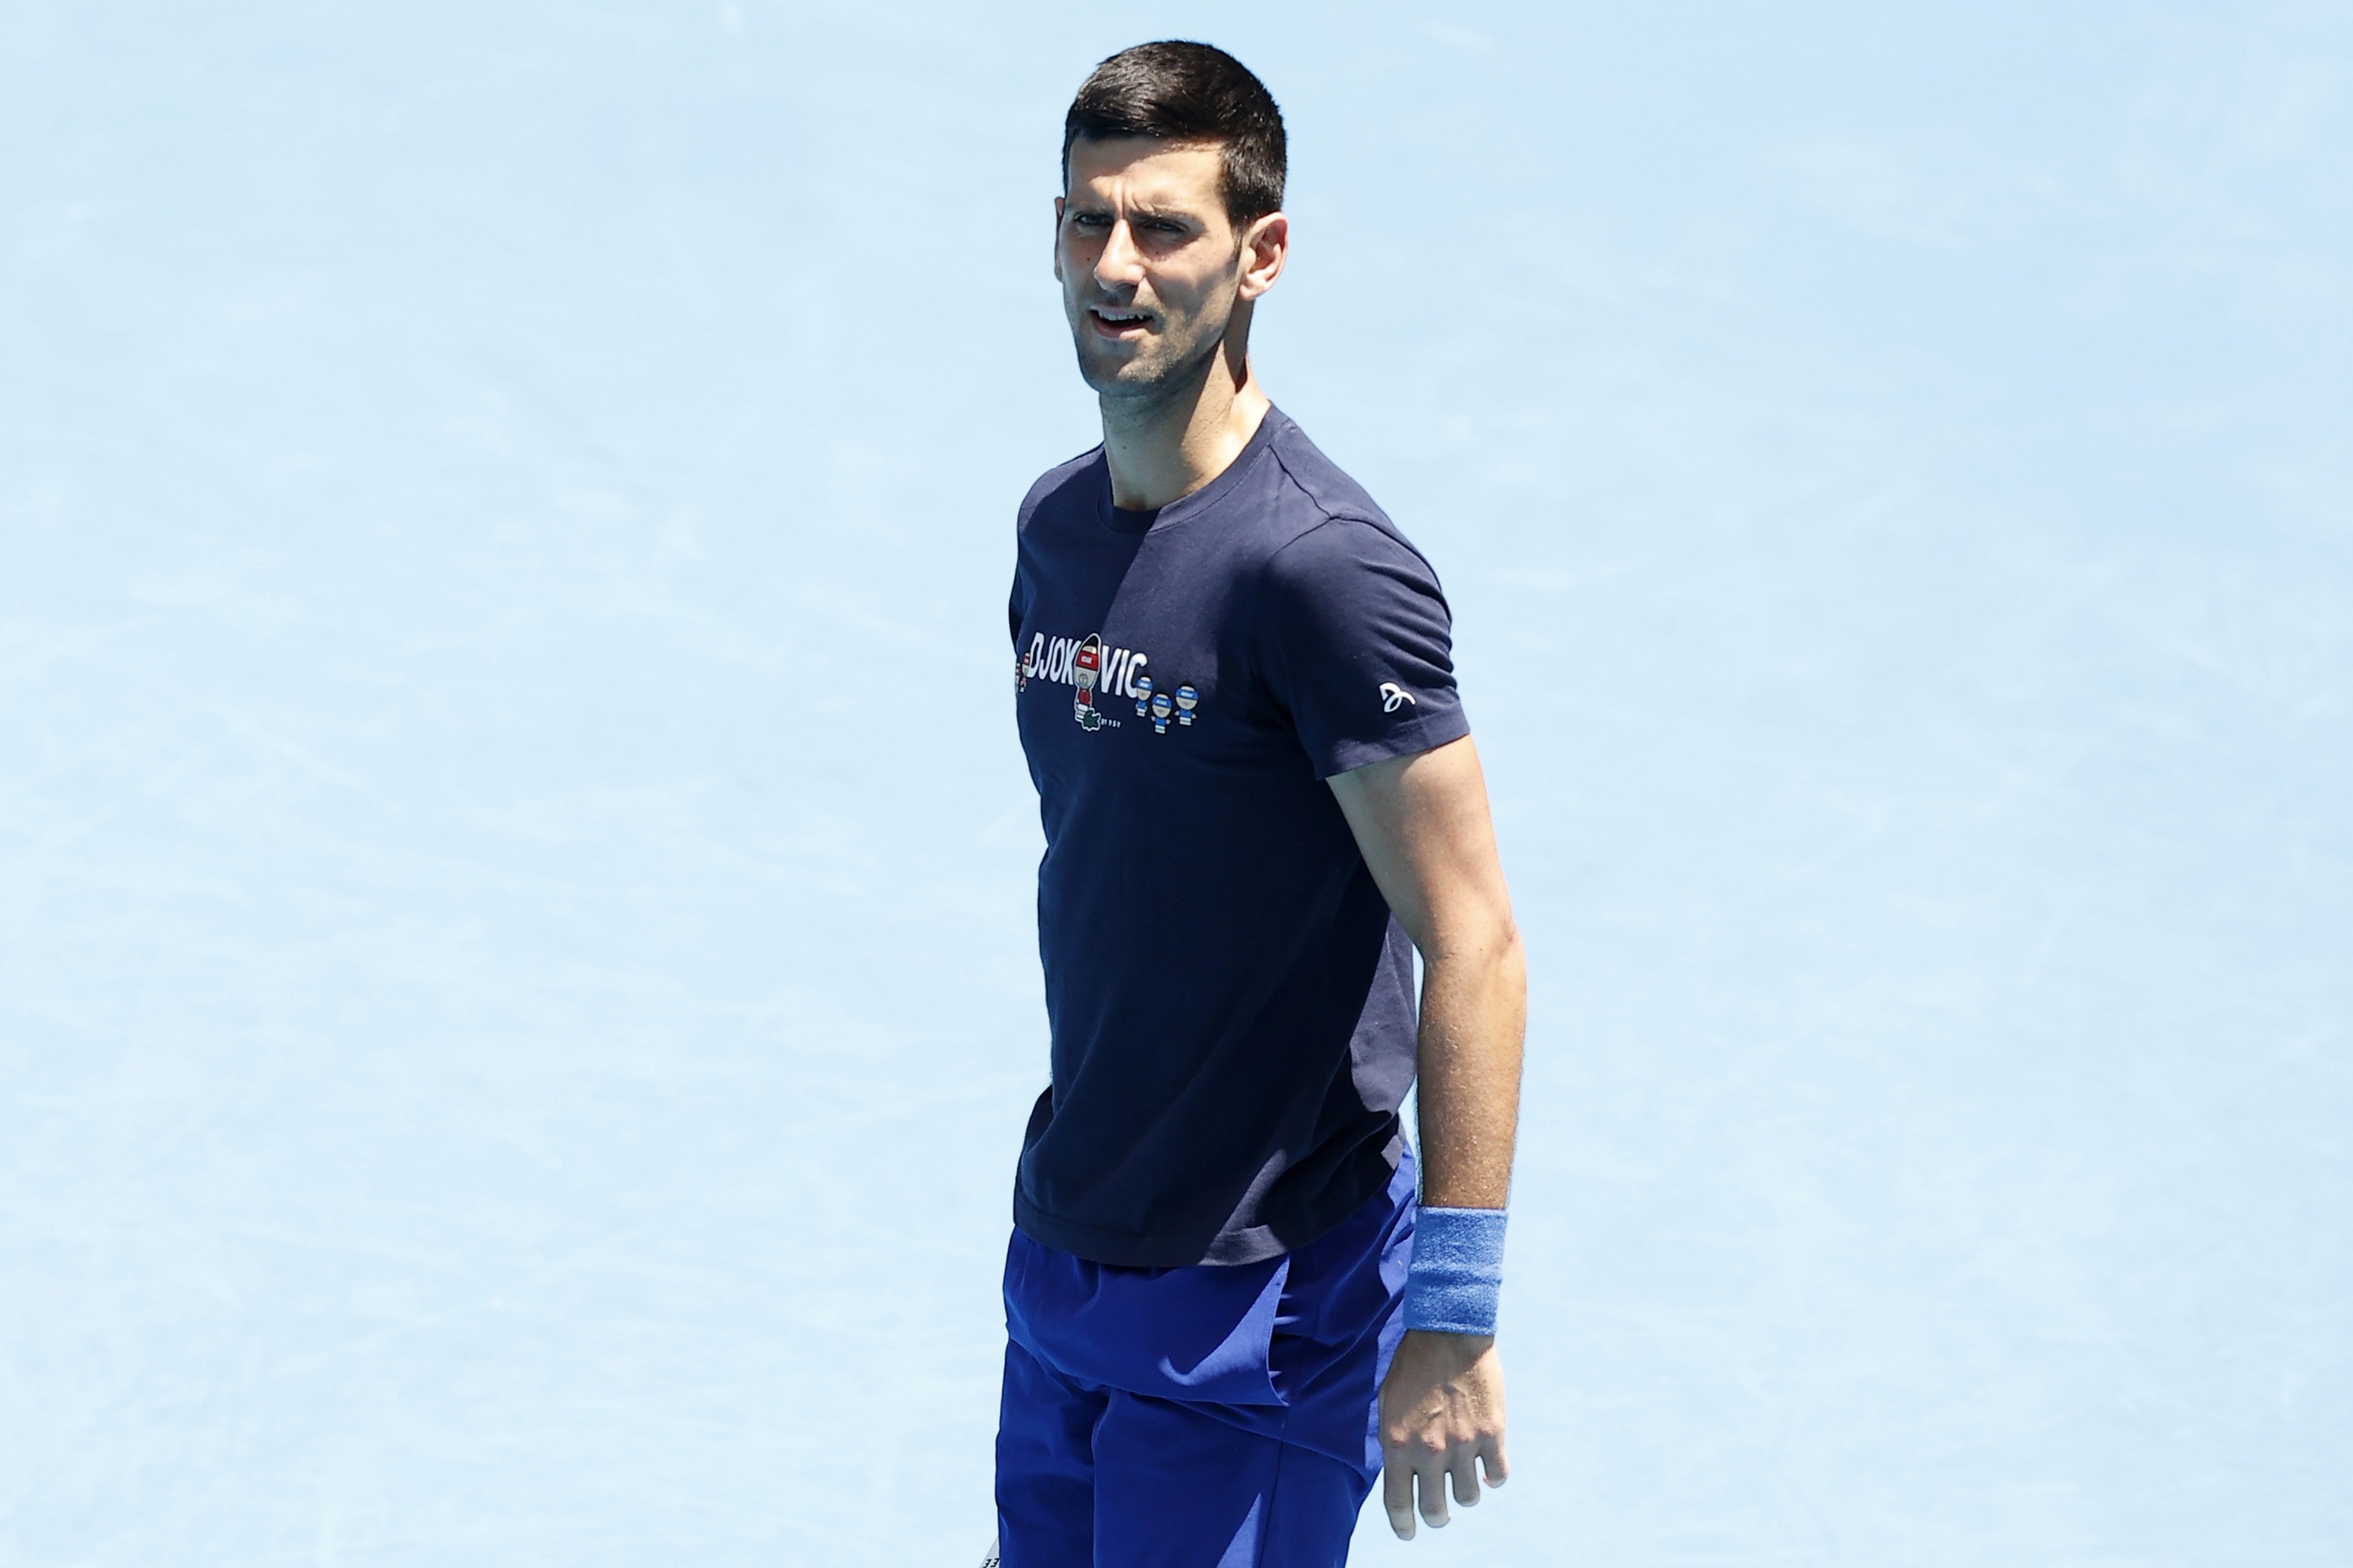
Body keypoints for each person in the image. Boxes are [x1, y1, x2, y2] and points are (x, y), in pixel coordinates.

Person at [995, 39, 1526, 1566]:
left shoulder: (1326, 574)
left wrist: (1456, 1308)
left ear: (1261, 253)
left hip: (1264, 1304)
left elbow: (1474, 940)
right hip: (1070, 1251)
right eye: (1089, 221)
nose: (1117, 266)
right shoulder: (1054, 535)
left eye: (1165, 227)